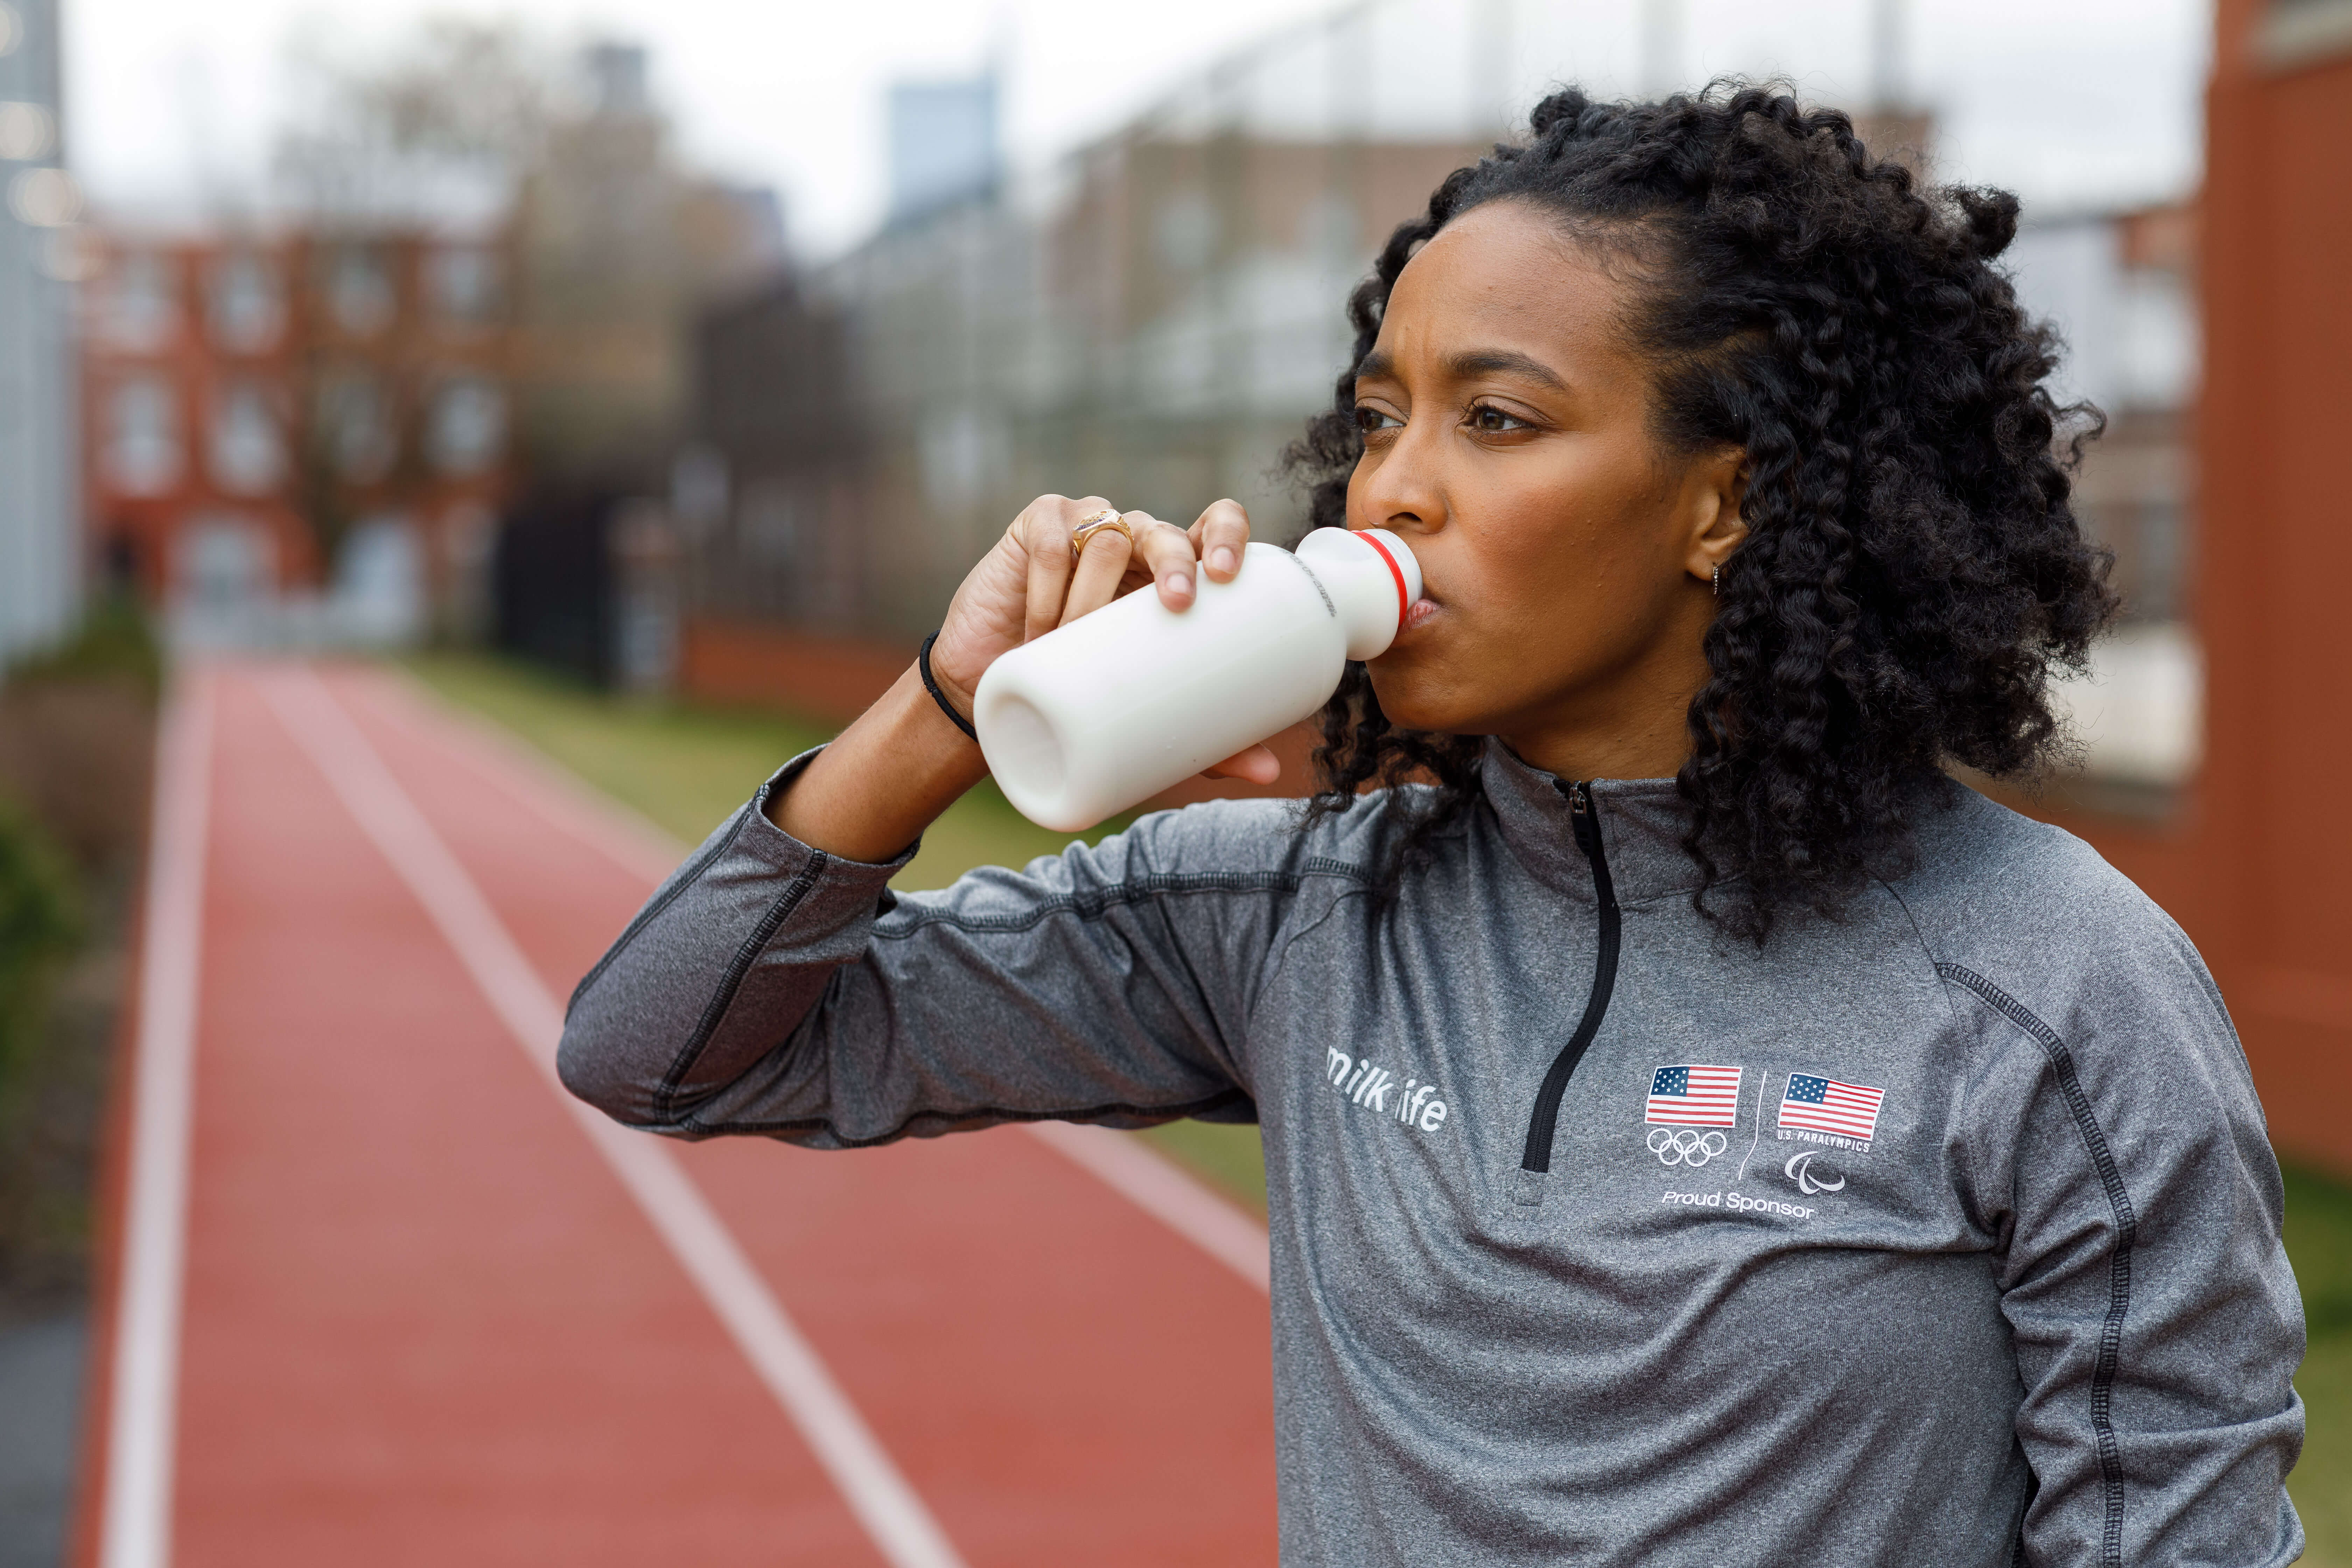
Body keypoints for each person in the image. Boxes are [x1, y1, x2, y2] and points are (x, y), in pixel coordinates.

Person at [559, 85, 2305, 1565]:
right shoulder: (1294, 913)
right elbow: (665, 1052)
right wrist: (946, 708)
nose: (1392, 483)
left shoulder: (2052, 984)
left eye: (1496, 417)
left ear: (1728, 502)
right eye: (1383, 416)